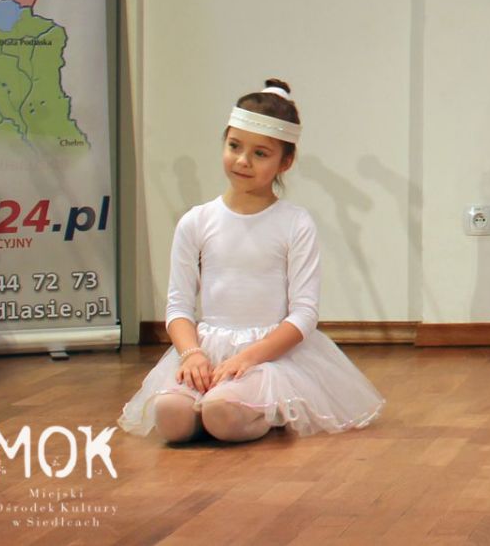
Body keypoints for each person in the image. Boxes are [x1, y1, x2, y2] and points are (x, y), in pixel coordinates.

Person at [119, 81, 384, 441]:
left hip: (270, 354)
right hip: (207, 350)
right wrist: (192, 354)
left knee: (222, 414)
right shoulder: (196, 221)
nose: (243, 160)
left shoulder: (294, 223)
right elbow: (178, 307)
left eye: (260, 153)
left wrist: (248, 357)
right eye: (234, 146)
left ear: (285, 162)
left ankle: (264, 410)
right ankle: (211, 405)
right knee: (170, 417)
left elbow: (304, 314)